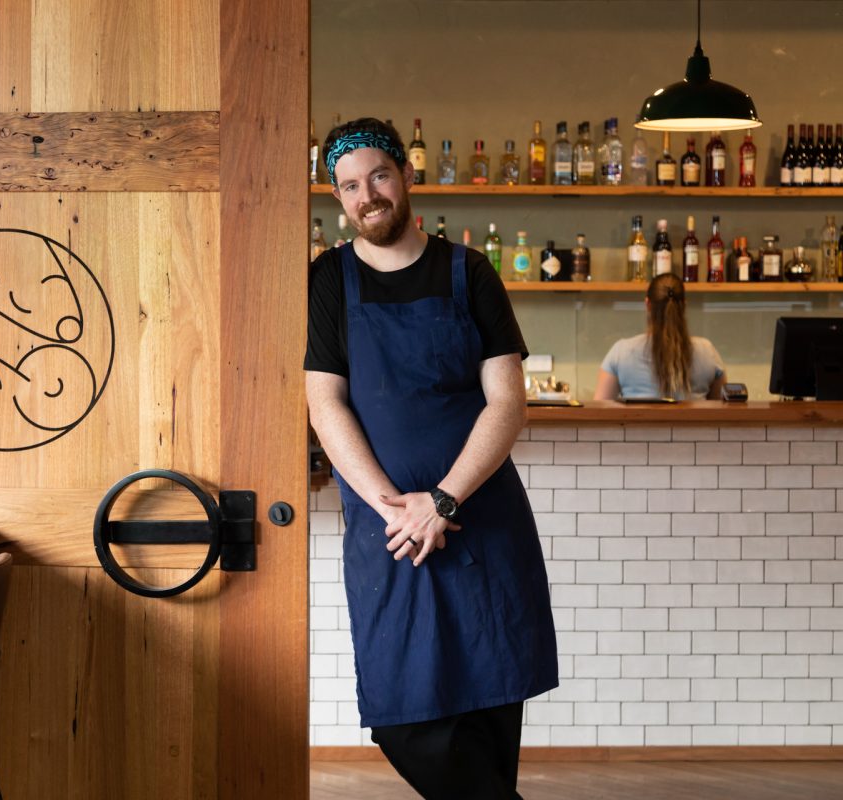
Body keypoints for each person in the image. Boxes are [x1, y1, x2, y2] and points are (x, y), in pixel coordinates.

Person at [305, 118, 558, 800]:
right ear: (338, 199)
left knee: (488, 711)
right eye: (350, 186)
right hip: (390, 534)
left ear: (406, 176)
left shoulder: (468, 271)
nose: (369, 196)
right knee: (403, 716)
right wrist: (399, 508)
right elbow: (325, 404)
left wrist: (442, 500)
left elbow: (506, 403)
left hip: (480, 522)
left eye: (379, 176)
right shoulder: (327, 279)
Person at [594, 272, 727, 401]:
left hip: (639, 424)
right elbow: (721, 410)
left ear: (648, 304)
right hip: (693, 425)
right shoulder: (708, 351)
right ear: (684, 306)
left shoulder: (621, 352)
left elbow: (600, 412)